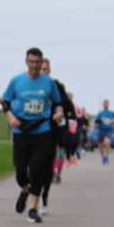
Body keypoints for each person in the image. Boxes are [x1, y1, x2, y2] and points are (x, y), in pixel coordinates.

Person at [1, 47, 64, 223]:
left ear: (41, 62)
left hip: (42, 130)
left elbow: (58, 103)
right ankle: (24, 189)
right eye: (31, 62)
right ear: (26, 62)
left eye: (37, 62)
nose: (34, 65)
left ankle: (32, 209)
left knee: (37, 168)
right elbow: (6, 102)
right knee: (21, 172)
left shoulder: (48, 83)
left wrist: (58, 113)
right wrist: (10, 117)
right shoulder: (16, 81)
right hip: (21, 129)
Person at [39, 58, 75, 215]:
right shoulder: (26, 84)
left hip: (52, 129)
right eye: (41, 68)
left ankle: (44, 197)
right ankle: (29, 189)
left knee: (47, 164)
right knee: (32, 165)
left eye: (46, 69)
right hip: (31, 130)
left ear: (50, 71)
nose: (43, 71)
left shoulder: (56, 86)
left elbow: (68, 106)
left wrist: (59, 112)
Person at [94, 99, 114, 165]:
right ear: (103, 105)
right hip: (101, 130)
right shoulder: (100, 113)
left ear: (108, 104)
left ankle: (106, 156)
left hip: (109, 130)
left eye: (106, 103)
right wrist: (98, 123)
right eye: (104, 103)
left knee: (107, 142)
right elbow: (96, 121)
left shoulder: (112, 113)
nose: (105, 105)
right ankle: (103, 157)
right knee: (100, 146)